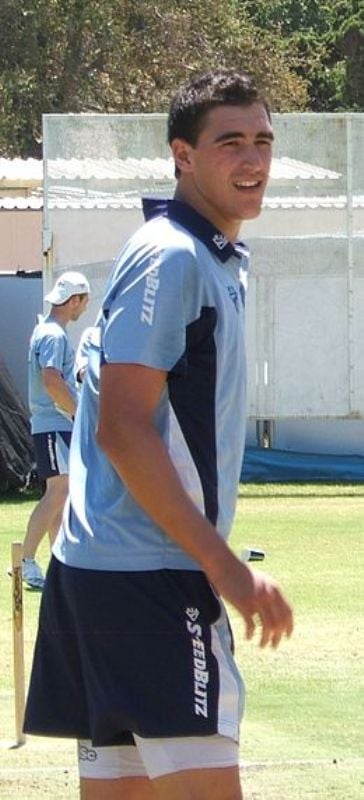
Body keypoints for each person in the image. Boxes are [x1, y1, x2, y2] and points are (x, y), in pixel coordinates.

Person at [24, 69, 293, 799]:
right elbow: (122, 429)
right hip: (150, 578)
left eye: (263, 141)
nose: (253, 160)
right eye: (230, 142)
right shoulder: (172, 254)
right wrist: (225, 568)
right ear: (182, 155)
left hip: (104, 576)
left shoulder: (211, 257)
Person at [21, 270, 90, 589]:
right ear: (74, 300)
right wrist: (78, 413)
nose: (84, 308)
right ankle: (26, 561)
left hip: (56, 424)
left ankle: (58, 567)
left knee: (61, 496)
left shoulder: (49, 331)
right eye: (84, 302)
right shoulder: (54, 335)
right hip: (54, 423)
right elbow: (51, 380)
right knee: (58, 491)